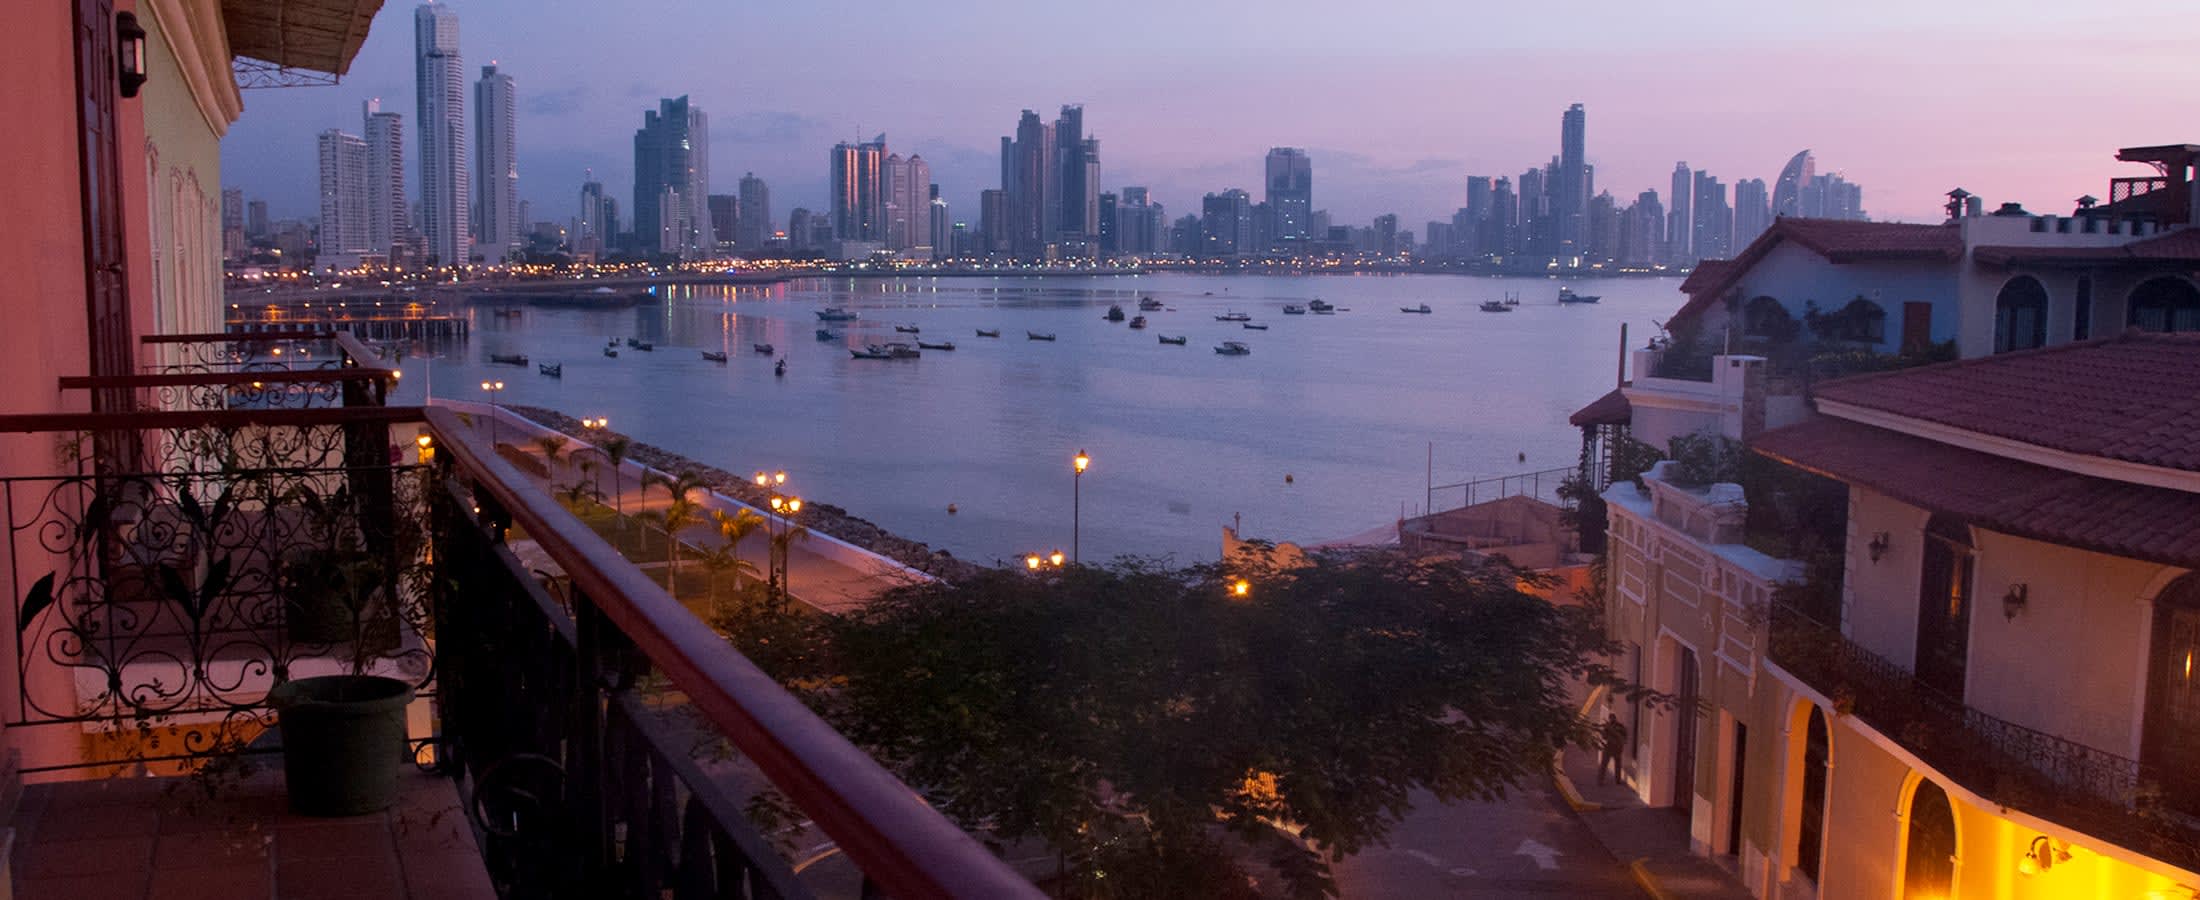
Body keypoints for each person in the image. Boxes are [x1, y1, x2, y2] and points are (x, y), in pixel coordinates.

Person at [1598, 714, 1628, 786]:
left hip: (1616, 748)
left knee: (1616, 765)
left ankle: (1617, 780)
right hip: (1610, 747)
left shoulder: (1620, 726)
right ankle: (1600, 781)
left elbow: (1624, 737)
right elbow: (1604, 736)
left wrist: (1614, 735)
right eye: (1611, 718)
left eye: (1612, 718)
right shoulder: (1608, 727)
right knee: (1604, 765)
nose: (1611, 720)